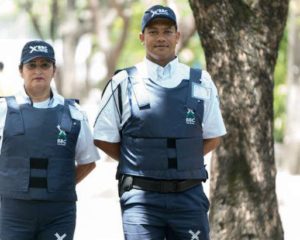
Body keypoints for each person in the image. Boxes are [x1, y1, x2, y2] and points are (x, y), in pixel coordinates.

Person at [94, 5, 226, 240]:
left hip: (189, 196)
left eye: (167, 31)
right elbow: (103, 138)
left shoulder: (201, 81)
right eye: (153, 31)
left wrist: (183, 160)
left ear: (177, 36)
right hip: (140, 200)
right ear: (142, 38)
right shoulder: (122, 82)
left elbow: (214, 135)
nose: (161, 37)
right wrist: (143, 159)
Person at [0, 40, 100, 240]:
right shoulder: (3, 111)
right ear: (21, 70)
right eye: (32, 65)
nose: (39, 70)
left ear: (54, 70)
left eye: (45, 65)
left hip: (59, 214)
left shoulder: (74, 113)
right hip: (12, 213)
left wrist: (59, 182)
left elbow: (88, 162)